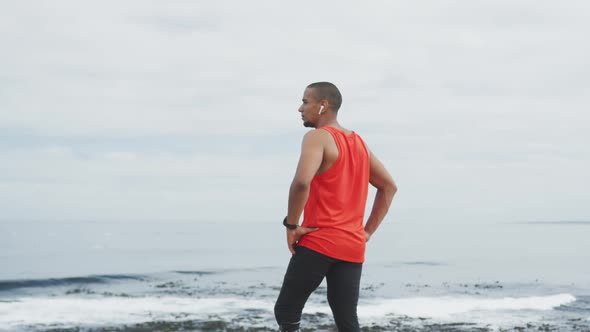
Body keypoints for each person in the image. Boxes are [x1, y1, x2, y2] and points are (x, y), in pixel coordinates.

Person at [274, 82, 397, 331]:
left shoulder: (317, 137)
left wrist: (292, 225)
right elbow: (389, 187)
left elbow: (300, 183)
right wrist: (367, 232)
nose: (300, 108)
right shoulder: (359, 144)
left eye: (305, 102)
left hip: (319, 240)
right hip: (352, 246)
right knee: (346, 318)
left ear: (323, 106)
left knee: (286, 309)